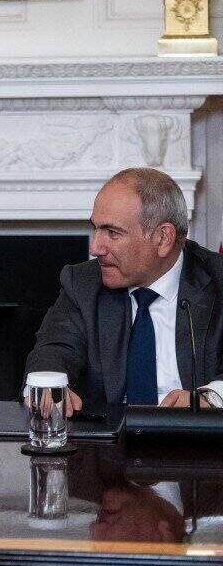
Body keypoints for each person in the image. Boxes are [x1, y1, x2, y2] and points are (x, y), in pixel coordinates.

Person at [25, 167, 223, 415]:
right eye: (95, 228)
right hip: (107, 444)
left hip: (195, 445)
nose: (95, 247)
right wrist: (48, 385)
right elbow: (53, 349)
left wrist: (212, 397)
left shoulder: (217, 280)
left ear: (163, 238)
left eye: (112, 232)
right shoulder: (83, 283)